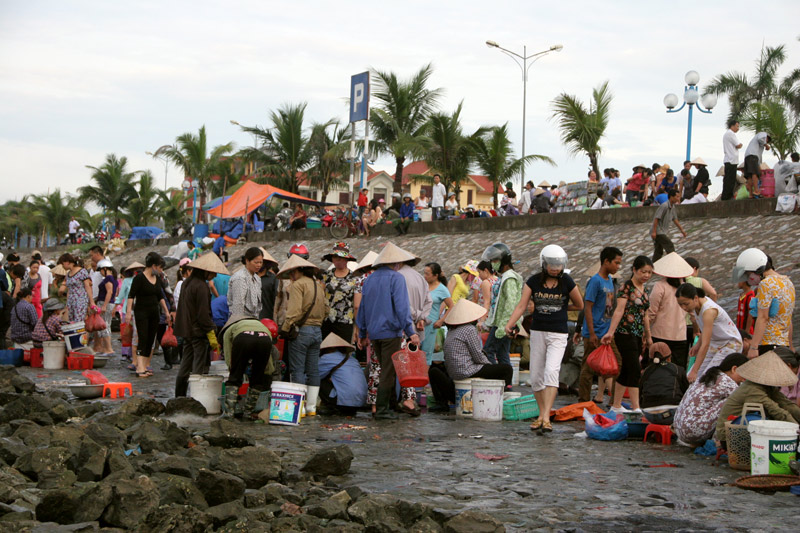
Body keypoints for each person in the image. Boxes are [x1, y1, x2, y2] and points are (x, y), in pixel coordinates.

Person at [506, 244, 583, 432]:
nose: (555, 268)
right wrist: (510, 324)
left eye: (558, 264)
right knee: (536, 376)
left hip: (558, 333)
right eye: (552, 264)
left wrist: (562, 308)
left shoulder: (567, 282)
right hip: (538, 332)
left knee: (551, 371)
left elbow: (579, 304)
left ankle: (546, 416)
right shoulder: (533, 282)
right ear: (544, 263)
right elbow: (521, 306)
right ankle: (541, 414)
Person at [355, 243, 420, 420]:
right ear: (396, 263)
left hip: (374, 333)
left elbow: (362, 309)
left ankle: (390, 404)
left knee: (384, 369)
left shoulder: (369, 279)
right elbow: (401, 308)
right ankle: (383, 409)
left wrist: (362, 334)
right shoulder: (396, 278)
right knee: (388, 372)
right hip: (391, 331)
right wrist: (410, 330)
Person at [428, 299, 513, 412]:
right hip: (469, 371)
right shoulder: (469, 329)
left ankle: (441, 403)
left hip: (454, 373)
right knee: (506, 369)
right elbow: (477, 355)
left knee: (433, 371)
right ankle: (500, 399)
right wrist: (490, 366)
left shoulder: (451, 331)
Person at [715, 351, 800, 448]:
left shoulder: (768, 387)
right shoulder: (752, 389)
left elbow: (787, 404)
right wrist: (796, 429)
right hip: (730, 437)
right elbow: (776, 410)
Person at [602, 255, 654, 413]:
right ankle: (636, 406)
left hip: (638, 335)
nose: (646, 275)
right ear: (634, 270)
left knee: (625, 370)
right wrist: (610, 332)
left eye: (649, 272)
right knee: (634, 368)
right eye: (643, 272)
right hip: (624, 332)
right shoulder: (627, 287)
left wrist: (648, 336)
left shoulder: (645, 289)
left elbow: (645, 315)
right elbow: (619, 310)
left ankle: (616, 405)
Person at [278, 254, 327, 416]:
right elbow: (326, 309)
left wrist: (285, 328)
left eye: (292, 273)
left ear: (299, 271)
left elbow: (293, 312)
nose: (291, 276)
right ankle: (311, 408)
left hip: (301, 331)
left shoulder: (297, 286)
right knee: (313, 370)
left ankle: (299, 409)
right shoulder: (318, 285)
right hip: (317, 331)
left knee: (297, 369)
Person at [174, 252, 227, 397]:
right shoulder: (202, 286)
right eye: (213, 273)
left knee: (185, 366)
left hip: (186, 331)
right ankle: (197, 398)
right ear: (206, 271)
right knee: (198, 367)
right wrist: (211, 331)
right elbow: (203, 314)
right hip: (198, 333)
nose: (214, 276)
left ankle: (179, 397)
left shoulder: (186, 283)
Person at [577, 247, 623, 403]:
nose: (618, 267)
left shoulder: (610, 281)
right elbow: (587, 307)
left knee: (617, 365)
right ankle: (583, 401)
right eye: (616, 263)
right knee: (588, 368)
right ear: (606, 262)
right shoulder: (595, 281)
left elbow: (610, 307)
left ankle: (613, 402)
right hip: (594, 332)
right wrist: (592, 333)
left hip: (607, 332)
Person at [673, 353, 747, 446]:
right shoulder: (726, 381)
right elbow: (744, 398)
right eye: (744, 374)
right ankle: (718, 441)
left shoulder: (710, 375)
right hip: (692, 432)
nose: (744, 379)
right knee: (733, 401)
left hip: (679, 430)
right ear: (734, 369)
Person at [732, 249, 795, 356]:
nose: (749, 278)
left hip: (768, 343)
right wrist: (791, 346)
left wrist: (754, 347)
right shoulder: (787, 282)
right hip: (783, 344)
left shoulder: (766, 284)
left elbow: (763, 317)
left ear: (755, 269)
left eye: (748, 273)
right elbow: (788, 320)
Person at [676, 283, 742, 383]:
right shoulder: (697, 306)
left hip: (730, 344)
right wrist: (697, 345)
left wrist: (694, 371)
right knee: (691, 377)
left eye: (686, 304)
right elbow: (705, 330)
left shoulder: (708, 311)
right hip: (715, 343)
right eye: (680, 304)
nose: (684, 307)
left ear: (695, 298)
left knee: (708, 377)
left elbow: (705, 344)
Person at [126, 252, 172, 378]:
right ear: (153, 266)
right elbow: (131, 296)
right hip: (141, 312)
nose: (161, 270)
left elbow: (160, 296)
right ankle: (139, 367)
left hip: (154, 313)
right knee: (143, 337)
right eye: (160, 267)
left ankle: (145, 365)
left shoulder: (157, 279)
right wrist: (128, 312)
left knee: (151, 339)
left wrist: (166, 312)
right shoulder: (139, 278)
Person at [219, 314, 275, 419]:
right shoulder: (262, 326)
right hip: (265, 340)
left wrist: (233, 369)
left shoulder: (228, 330)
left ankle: (229, 413)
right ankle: (248, 413)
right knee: (257, 380)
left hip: (243, 339)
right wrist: (266, 372)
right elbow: (269, 361)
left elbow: (228, 354)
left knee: (235, 378)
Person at [648, 252, 693, 370]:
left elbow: (651, 313)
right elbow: (693, 313)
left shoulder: (660, 286)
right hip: (680, 335)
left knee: (657, 368)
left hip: (660, 334)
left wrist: (646, 333)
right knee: (678, 369)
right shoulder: (685, 288)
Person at [481, 243, 523, 367]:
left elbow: (510, 303)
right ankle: (506, 383)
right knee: (502, 354)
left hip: (503, 324)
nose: (493, 263)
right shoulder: (506, 277)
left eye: (495, 260)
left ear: (503, 260)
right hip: (506, 323)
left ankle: (495, 379)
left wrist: (504, 326)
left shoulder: (509, 278)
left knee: (488, 351)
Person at [318, 333, 368, 416]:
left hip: (345, 403)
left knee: (317, 380)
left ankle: (330, 407)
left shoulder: (327, 358)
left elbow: (313, 376)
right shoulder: (353, 360)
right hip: (361, 401)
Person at [638, 342, 689, 425]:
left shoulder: (646, 372)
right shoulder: (678, 369)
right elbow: (686, 393)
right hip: (671, 413)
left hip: (649, 414)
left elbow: (640, 394)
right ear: (669, 358)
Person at [321, 242, 359, 343]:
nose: (338, 260)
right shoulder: (326, 276)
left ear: (347, 259)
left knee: (344, 353)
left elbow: (357, 304)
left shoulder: (354, 278)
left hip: (345, 322)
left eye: (341, 258)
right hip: (326, 321)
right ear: (332, 259)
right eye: (335, 257)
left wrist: (357, 327)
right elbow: (320, 296)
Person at [421, 263, 454, 365]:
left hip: (431, 325)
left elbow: (452, 307)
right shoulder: (423, 285)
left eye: (427, 274)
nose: (425, 276)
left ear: (435, 275)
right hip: (419, 323)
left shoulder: (442, 289)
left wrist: (441, 320)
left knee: (426, 354)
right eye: (424, 273)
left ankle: (425, 380)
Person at [650, 189, 686, 262]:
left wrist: (682, 230)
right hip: (658, 231)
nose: (678, 198)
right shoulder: (664, 206)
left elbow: (675, 219)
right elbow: (656, 218)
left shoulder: (672, 207)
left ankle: (653, 265)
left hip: (662, 231)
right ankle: (673, 262)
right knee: (669, 245)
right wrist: (654, 231)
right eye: (677, 196)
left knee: (658, 250)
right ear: (671, 197)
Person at [227, 247, 264, 318]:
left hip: (254, 319)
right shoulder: (240, 278)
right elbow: (238, 305)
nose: (259, 265)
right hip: (242, 320)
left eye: (261, 262)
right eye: (256, 262)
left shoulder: (257, 278)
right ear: (247, 261)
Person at [59, 253, 92, 323]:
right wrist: (67, 304)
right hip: (71, 301)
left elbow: (87, 286)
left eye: (62, 264)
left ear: (67, 262)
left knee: (78, 321)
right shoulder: (68, 274)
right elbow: (69, 289)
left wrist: (91, 302)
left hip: (80, 300)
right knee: (71, 322)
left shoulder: (82, 271)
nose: (62, 267)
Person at [94, 259, 117, 355]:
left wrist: (104, 305)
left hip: (105, 303)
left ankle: (108, 348)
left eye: (101, 270)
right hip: (108, 303)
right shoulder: (113, 279)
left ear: (104, 268)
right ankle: (105, 348)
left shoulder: (108, 279)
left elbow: (110, 292)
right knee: (105, 325)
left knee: (104, 326)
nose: (100, 273)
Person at [743, 132, 771, 198]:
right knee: (755, 173)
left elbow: (759, 155)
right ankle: (756, 191)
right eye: (767, 140)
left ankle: (750, 194)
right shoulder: (763, 134)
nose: (766, 141)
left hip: (748, 156)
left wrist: (759, 165)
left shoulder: (759, 145)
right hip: (752, 155)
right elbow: (760, 138)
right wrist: (766, 145)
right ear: (767, 137)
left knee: (749, 176)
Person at [722, 120, 743, 200]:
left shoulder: (727, 134)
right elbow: (738, 145)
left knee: (728, 179)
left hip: (729, 159)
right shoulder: (731, 134)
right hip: (731, 160)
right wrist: (741, 145)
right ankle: (728, 196)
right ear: (732, 126)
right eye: (737, 126)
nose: (738, 128)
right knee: (730, 180)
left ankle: (726, 196)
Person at [258, 251, 279, 321]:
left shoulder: (274, 279)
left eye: (260, 262)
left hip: (267, 318)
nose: (258, 264)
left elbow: (276, 299)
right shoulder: (248, 277)